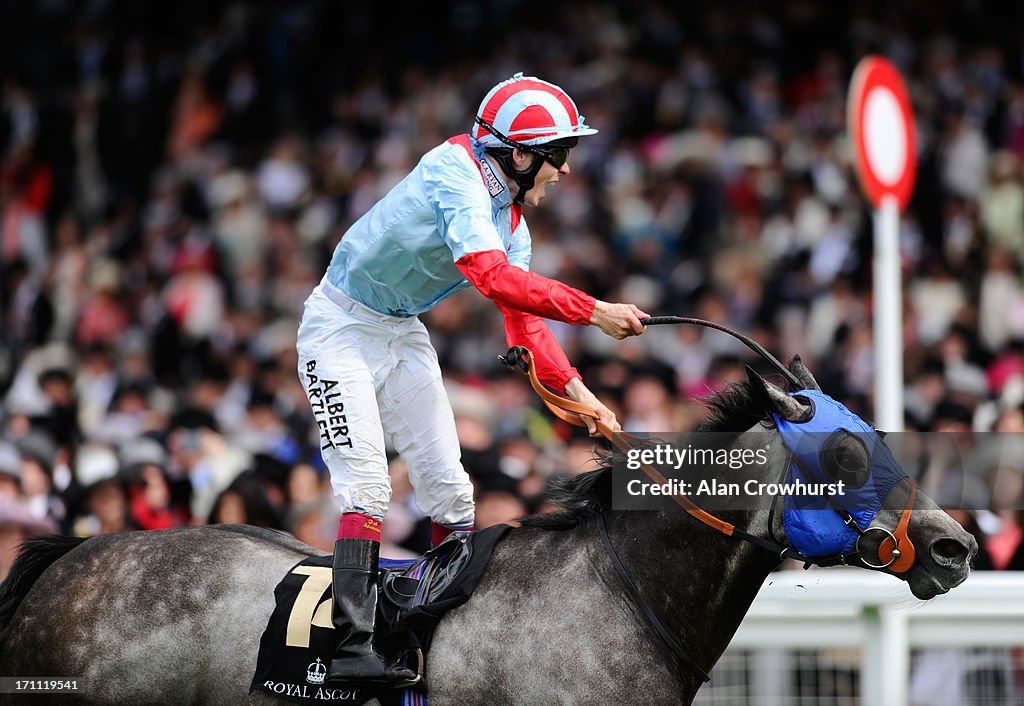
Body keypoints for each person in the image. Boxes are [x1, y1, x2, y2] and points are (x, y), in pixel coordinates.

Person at [296, 72, 649, 687]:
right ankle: (351, 648)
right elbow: (490, 278)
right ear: (518, 155)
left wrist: (584, 398)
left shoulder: (514, 225)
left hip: (399, 329)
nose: (565, 171)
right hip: (337, 328)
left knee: (453, 495)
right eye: (558, 155)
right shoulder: (451, 170)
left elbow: (527, 327)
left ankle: (430, 634)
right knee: (369, 488)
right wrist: (594, 310)